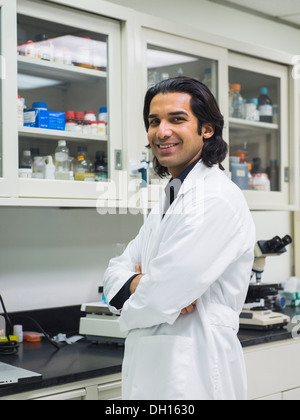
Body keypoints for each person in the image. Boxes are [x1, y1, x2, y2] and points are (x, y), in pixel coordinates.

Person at [103, 76, 256, 400]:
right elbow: (115, 274)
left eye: (177, 119)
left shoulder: (216, 199)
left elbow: (160, 297)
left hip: (196, 375)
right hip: (156, 372)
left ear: (207, 129)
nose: (162, 131)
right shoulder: (173, 194)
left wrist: (145, 291)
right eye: (153, 121)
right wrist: (141, 283)